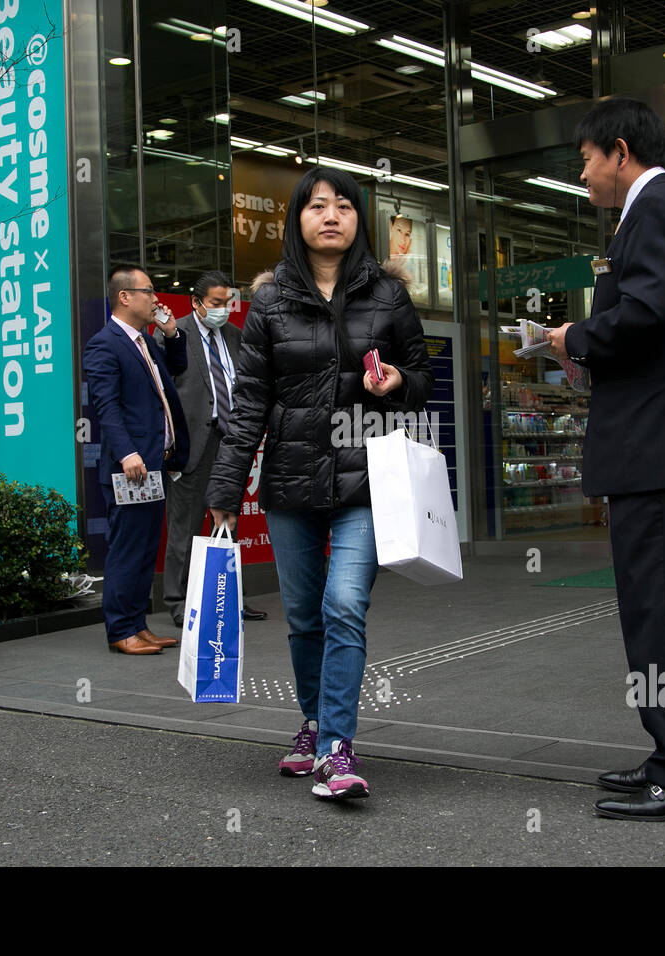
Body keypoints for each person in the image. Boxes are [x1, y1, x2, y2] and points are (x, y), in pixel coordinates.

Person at [206, 166, 433, 800]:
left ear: (359, 220)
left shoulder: (388, 296)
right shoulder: (272, 300)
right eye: (316, 205)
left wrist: (396, 384)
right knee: (304, 616)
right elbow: (249, 402)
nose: (330, 215)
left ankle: (337, 746)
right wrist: (225, 491)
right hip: (290, 483)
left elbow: (423, 379)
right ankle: (311, 722)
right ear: (297, 220)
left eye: (343, 206)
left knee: (343, 608)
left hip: (366, 482)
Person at [546, 98, 665, 822]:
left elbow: (648, 312)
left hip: (662, 445)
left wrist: (576, 338)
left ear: (619, 151)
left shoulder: (655, 208)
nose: (585, 173)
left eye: (587, 160)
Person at [84, 268, 191, 655]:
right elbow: (106, 406)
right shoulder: (105, 344)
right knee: (127, 547)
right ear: (125, 297)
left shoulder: (144, 342)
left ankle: (137, 625)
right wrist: (127, 452)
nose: (155, 298)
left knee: (146, 547)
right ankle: (119, 630)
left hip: (153, 464)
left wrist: (171, 333)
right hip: (129, 467)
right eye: (148, 291)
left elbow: (176, 369)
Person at [152, 271, 266, 626]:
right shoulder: (172, 334)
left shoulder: (234, 335)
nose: (224, 310)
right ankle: (177, 601)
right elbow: (162, 390)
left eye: (227, 303)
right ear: (196, 303)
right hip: (193, 444)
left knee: (227, 526)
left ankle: (228, 598)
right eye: (216, 304)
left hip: (230, 444)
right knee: (184, 527)